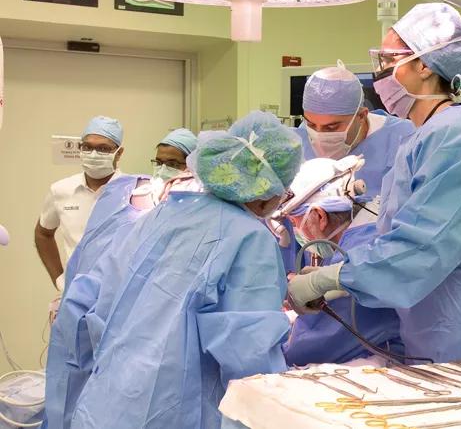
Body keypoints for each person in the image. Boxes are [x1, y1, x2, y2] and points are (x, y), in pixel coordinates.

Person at [288, 3, 461, 363]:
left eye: (390, 60)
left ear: (425, 65)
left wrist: (333, 279)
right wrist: (339, 268)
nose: (381, 73)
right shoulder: (423, 136)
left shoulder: (459, 136)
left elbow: (422, 247)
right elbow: (395, 232)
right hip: (434, 323)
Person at [70, 111, 302, 429]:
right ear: (267, 193)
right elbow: (250, 356)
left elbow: (100, 302)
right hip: (175, 410)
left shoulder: (160, 215)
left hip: (110, 400)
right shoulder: (250, 237)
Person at [40, 129, 198, 429]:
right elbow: (98, 257)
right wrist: (65, 287)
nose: (164, 169)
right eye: (159, 161)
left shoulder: (193, 212)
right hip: (97, 303)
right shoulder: (127, 196)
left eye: (173, 163)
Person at [280, 156, 402, 366]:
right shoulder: (372, 228)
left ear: (320, 216)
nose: (297, 231)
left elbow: (312, 347)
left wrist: (276, 338)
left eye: (295, 221)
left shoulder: (352, 252)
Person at [297, 61, 414, 198]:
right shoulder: (298, 139)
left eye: (331, 127)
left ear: (361, 116)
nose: (319, 135)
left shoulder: (405, 137)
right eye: (311, 124)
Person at [35, 116, 124, 290]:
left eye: (103, 148)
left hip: (119, 293)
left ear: (119, 153)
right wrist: (60, 281)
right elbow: (43, 233)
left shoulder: (133, 191)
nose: (93, 154)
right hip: (75, 291)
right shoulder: (61, 190)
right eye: (87, 147)